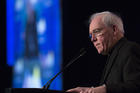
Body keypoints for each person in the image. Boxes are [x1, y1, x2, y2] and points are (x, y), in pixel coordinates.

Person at [67, 11, 140, 93]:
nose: (93, 39)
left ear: (114, 29)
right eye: (91, 35)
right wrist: (89, 90)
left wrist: (103, 89)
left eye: (97, 31)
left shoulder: (130, 49)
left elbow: (136, 86)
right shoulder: (113, 54)